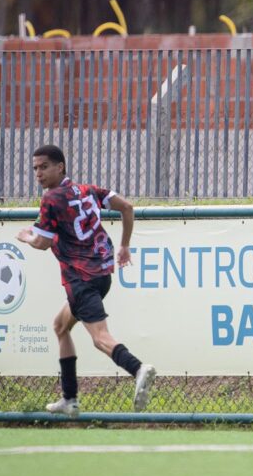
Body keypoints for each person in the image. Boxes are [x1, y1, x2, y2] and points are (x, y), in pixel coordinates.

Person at [16, 144, 156, 418]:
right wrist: (125, 245)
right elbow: (127, 207)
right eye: (35, 168)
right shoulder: (87, 190)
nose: (38, 173)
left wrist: (26, 237)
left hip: (81, 279)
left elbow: (42, 243)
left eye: (44, 167)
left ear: (60, 167)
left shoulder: (51, 199)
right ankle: (69, 399)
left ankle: (138, 368)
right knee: (60, 326)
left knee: (100, 338)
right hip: (102, 276)